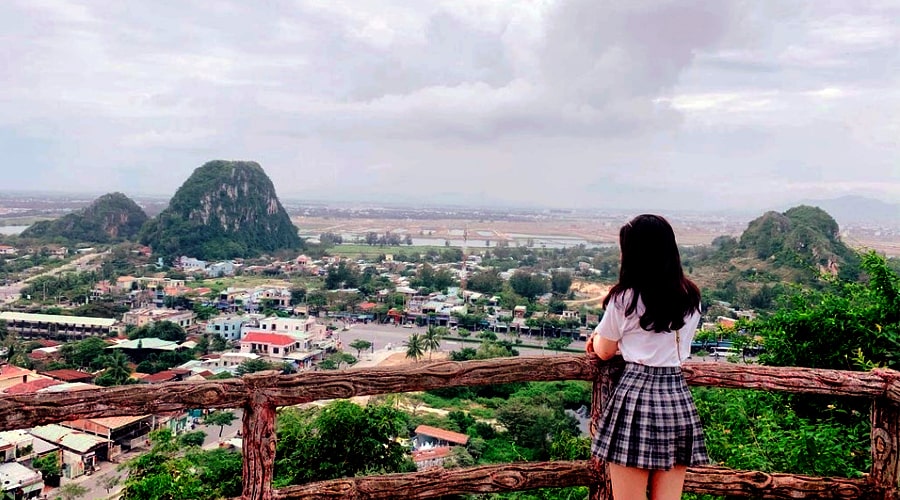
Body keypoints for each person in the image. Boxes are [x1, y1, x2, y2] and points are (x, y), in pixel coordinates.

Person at [586, 214, 708, 500]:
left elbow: (604, 351)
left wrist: (597, 340)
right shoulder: (691, 296)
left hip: (636, 397)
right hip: (676, 396)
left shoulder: (625, 298)